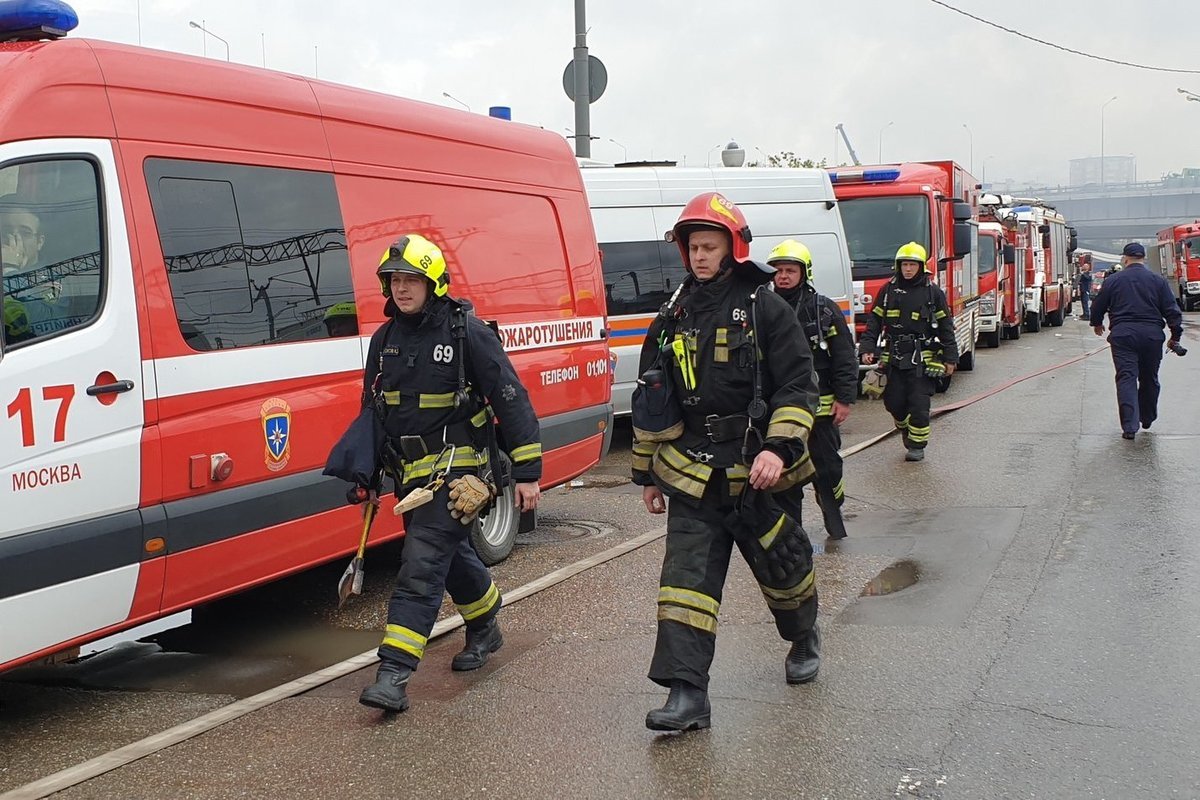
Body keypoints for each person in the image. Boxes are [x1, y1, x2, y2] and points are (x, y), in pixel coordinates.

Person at [632, 192, 821, 733]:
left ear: (732, 249)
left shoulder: (766, 307)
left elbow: (797, 385)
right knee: (685, 583)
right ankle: (687, 693)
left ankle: (804, 636)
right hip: (692, 471)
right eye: (693, 247)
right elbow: (653, 393)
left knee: (783, 571)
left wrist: (776, 448)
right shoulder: (673, 313)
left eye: (710, 246)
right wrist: (646, 471)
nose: (699, 256)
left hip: (759, 471)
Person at [354, 233, 542, 714]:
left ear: (433, 282)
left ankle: (394, 673)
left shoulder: (466, 333)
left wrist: (527, 472)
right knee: (449, 555)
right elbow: (372, 412)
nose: (402, 288)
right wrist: (366, 473)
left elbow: (510, 398)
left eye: (411, 278)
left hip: (462, 473)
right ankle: (485, 624)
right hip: (410, 477)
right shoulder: (384, 341)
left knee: (421, 564)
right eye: (394, 279)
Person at [768, 239, 857, 540]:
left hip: (820, 413)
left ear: (804, 272)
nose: (783, 276)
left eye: (790, 270)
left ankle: (834, 518)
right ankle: (794, 538)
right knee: (785, 476)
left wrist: (844, 398)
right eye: (778, 270)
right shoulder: (762, 309)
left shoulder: (823, 309)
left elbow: (844, 356)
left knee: (828, 470)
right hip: (780, 412)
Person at [860, 242, 958, 462]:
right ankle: (904, 427)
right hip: (893, 358)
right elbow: (874, 321)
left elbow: (945, 327)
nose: (908, 269)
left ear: (921, 266)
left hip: (921, 360)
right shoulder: (888, 291)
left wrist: (950, 358)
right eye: (904, 264)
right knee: (893, 402)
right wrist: (867, 348)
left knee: (919, 404)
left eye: (912, 265)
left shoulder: (933, 293)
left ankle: (916, 445)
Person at [1089, 242, 1184, 440]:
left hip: (1123, 335)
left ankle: (1129, 427)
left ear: (1125, 258)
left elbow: (1098, 304)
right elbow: (1171, 310)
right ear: (1143, 259)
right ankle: (1147, 416)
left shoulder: (1114, 280)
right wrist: (1175, 336)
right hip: (1152, 336)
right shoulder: (1157, 281)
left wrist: (1097, 323)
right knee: (1149, 377)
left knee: (1126, 377)